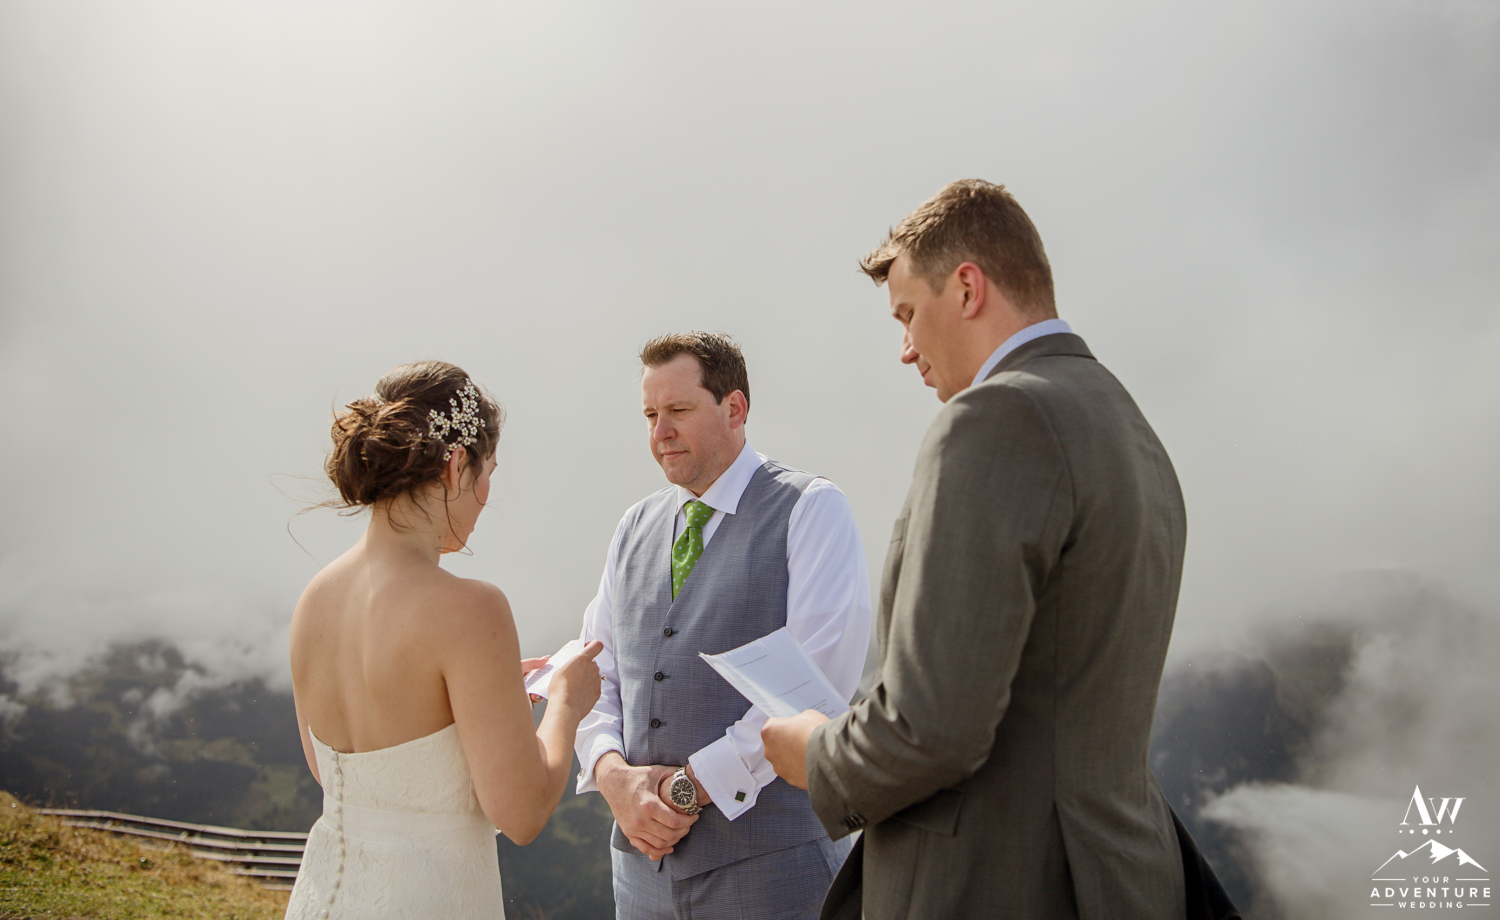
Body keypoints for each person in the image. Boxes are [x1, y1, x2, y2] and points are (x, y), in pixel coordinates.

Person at [762, 180, 1201, 918]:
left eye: (907, 315)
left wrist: (816, 754)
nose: (905, 350)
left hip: (998, 884)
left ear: (966, 287)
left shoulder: (995, 417)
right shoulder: (1129, 425)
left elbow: (931, 728)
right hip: (1124, 878)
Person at [284, 361, 603, 920]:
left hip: (324, 896)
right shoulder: (471, 609)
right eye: (488, 473)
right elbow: (522, 813)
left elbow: (335, 771)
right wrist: (568, 704)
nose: (485, 495)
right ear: (457, 466)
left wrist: (486, 702)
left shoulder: (316, 597)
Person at [573, 332, 872, 920]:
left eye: (679, 411)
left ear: (735, 408)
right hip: (641, 879)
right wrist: (613, 778)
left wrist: (687, 789)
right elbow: (592, 675)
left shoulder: (811, 509)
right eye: (651, 415)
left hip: (775, 872)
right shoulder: (633, 526)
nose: (660, 433)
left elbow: (815, 689)